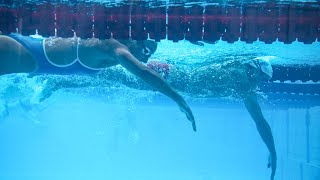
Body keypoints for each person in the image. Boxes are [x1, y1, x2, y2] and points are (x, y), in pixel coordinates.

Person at [0, 32, 276, 179]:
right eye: (255, 75)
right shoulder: (234, 71)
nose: (255, 83)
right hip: (168, 76)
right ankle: (57, 83)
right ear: (248, 68)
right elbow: (145, 72)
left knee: (105, 77)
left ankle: (57, 83)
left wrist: (272, 150)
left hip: (158, 76)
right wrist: (177, 97)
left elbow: (260, 122)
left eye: (258, 79)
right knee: (108, 75)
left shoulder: (245, 90)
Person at [0, 32, 196, 131]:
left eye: (149, 55)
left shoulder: (114, 56)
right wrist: (177, 98)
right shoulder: (115, 48)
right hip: (21, 53)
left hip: (26, 59)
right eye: (146, 52)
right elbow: (143, 72)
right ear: (136, 41)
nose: (145, 59)